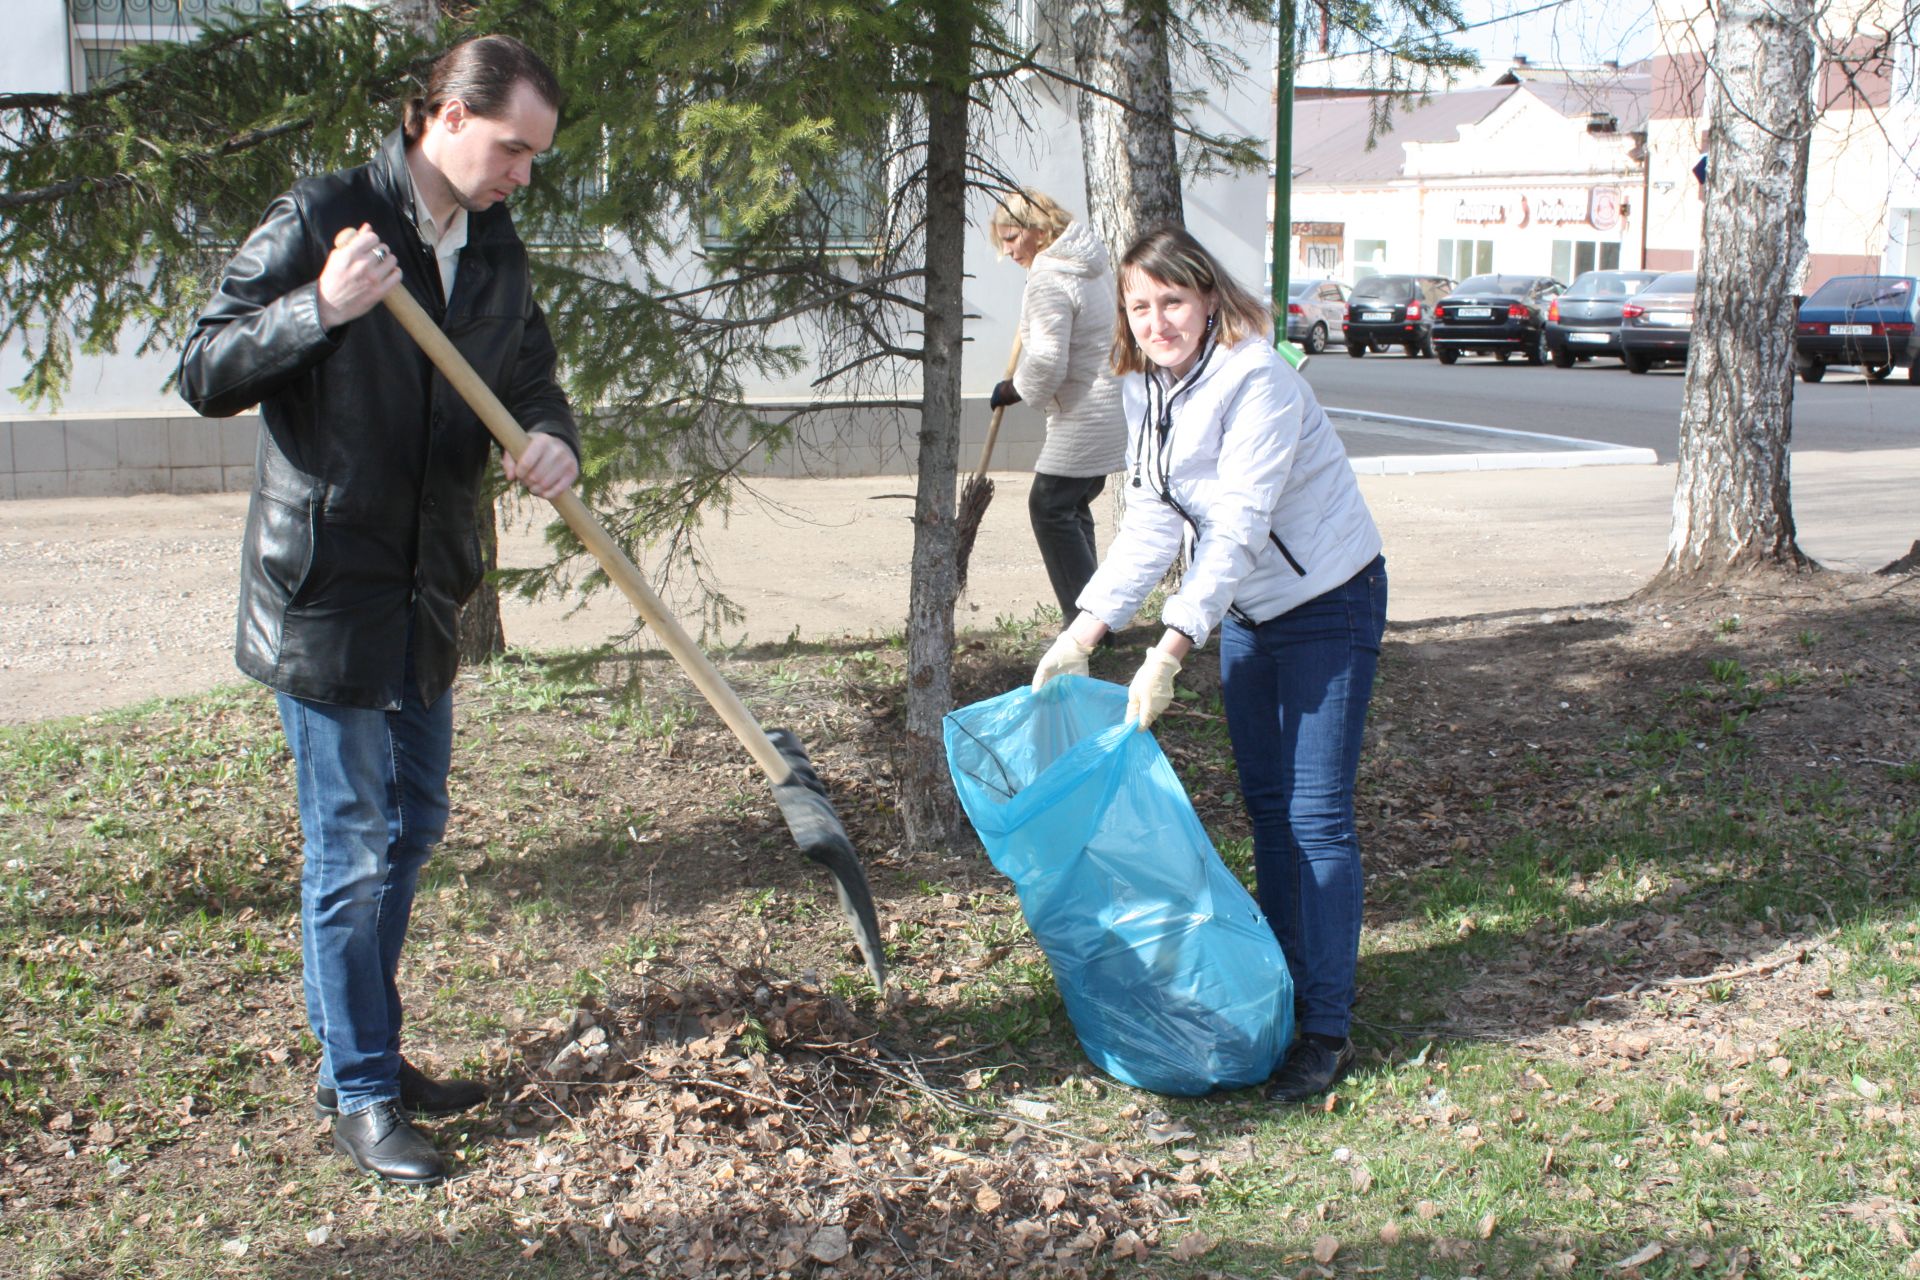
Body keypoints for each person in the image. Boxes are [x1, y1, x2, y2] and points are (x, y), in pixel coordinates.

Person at [178, 34, 580, 1186]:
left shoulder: (494, 250)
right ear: (443, 117)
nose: (522, 175)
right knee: (350, 848)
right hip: (327, 593)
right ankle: (361, 1086)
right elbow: (205, 366)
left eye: (537, 157)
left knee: (413, 826)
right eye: (513, 148)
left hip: (426, 590)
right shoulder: (328, 215)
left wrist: (551, 438)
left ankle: (366, 1048)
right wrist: (319, 306)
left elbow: (532, 379)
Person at [1029, 226, 1388, 1104]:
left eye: (1173, 302)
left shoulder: (1256, 377)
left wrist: (1169, 650)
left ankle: (1327, 1028)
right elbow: (1153, 517)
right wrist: (1085, 631)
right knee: (1267, 808)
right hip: (1255, 610)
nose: (1158, 322)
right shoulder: (1141, 383)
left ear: (1210, 298)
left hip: (1329, 601)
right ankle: (1286, 984)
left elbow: (1238, 525)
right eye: (1140, 306)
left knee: (1314, 815)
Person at [988, 190, 1127, 625]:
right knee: (1072, 506)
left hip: (1085, 412)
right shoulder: (1088, 264)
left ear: (1039, 230)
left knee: (1049, 506)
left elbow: (1048, 360)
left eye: (1011, 238)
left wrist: (1014, 389)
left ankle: (1087, 625)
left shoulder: (1050, 278)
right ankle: (1093, 616)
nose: (1007, 250)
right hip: (1110, 405)